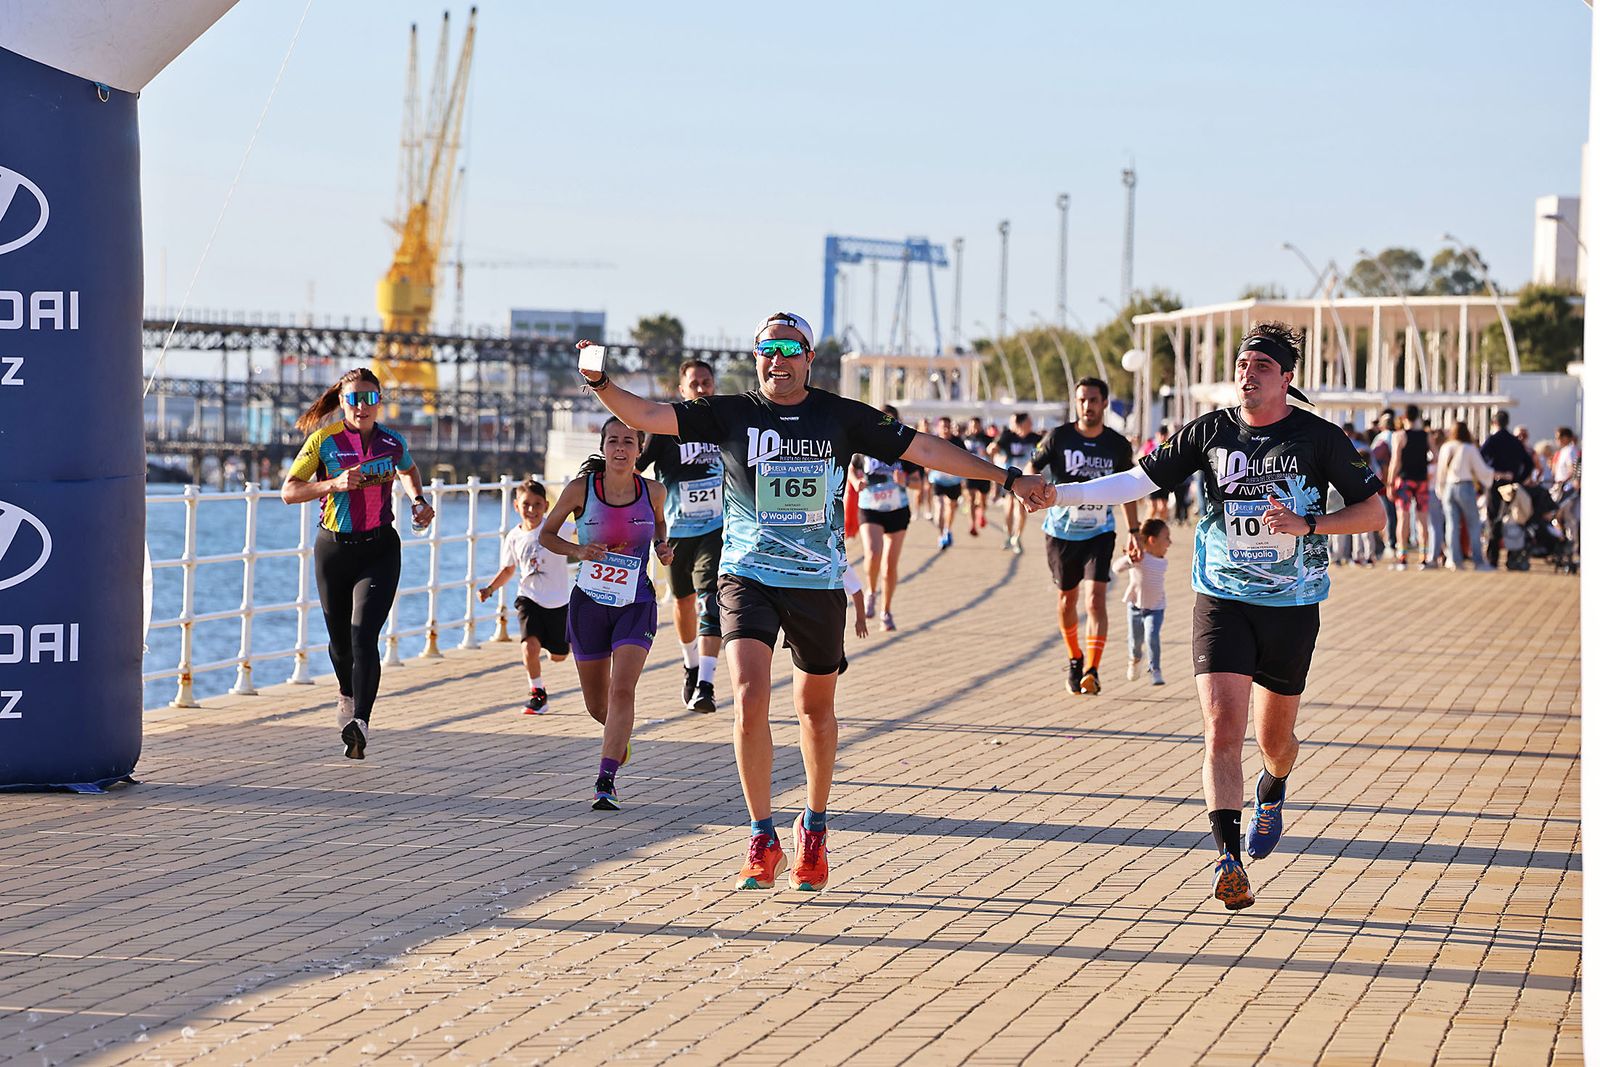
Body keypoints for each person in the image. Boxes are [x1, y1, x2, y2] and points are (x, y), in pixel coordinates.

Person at [576, 313, 1050, 891]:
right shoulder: (730, 413)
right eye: (766, 351)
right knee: (749, 696)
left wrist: (1006, 477)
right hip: (746, 573)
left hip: (818, 581)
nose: (777, 361)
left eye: (789, 350)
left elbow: (922, 448)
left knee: (815, 713)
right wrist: (599, 383)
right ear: (756, 359)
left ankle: (815, 826)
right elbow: (647, 416)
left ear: (808, 359)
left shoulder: (839, 416)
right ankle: (759, 833)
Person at [1048, 321, 1385, 910]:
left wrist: (1309, 525)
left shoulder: (1317, 437)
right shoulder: (1210, 432)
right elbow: (1135, 479)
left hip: (1292, 604)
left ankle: (1274, 786)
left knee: (1273, 740)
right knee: (1220, 729)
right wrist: (1062, 494)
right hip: (1221, 597)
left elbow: (1374, 513)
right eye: (1242, 365)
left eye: (1260, 366)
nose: (1247, 374)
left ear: (1286, 378)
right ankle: (1228, 859)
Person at [281, 368, 435, 760]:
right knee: (340, 642)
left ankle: (360, 723)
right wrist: (333, 484)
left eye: (369, 398)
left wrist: (418, 501)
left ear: (379, 400)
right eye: (354, 399)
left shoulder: (391, 441)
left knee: (364, 636)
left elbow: (409, 470)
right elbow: (289, 491)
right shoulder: (324, 441)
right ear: (342, 401)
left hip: (380, 547)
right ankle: (347, 693)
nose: (362, 407)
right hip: (334, 549)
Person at [540, 417, 672, 811]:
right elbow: (547, 534)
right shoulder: (582, 490)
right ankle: (619, 740)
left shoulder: (655, 492)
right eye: (613, 440)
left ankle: (606, 778)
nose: (620, 448)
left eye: (628, 442)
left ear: (639, 450)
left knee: (622, 690)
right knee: (598, 706)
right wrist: (579, 551)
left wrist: (664, 548)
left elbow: (661, 527)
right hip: (590, 605)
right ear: (603, 446)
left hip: (636, 602)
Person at [1029, 378, 1143, 696]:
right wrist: (1031, 488)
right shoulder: (1059, 437)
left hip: (1100, 531)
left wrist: (1134, 531)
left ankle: (1092, 669)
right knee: (1067, 600)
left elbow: (1128, 490)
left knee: (1095, 600)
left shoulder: (1118, 445)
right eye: (1081, 400)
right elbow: (1032, 466)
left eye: (1093, 400)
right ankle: (1074, 657)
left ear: (1104, 403)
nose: (1086, 406)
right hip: (1061, 532)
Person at [636, 359, 726, 713]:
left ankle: (706, 683)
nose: (702, 389)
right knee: (683, 601)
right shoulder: (665, 429)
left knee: (709, 598)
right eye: (695, 383)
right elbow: (636, 471)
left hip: (716, 529)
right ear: (682, 389)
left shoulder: (723, 423)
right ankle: (690, 665)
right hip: (675, 532)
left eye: (707, 382)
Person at [478, 480, 571, 712]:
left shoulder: (557, 527)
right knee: (529, 646)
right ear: (516, 506)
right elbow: (509, 569)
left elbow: (582, 530)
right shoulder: (513, 537)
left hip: (558, 600)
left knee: (559, 656)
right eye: (526, 504)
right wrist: (490, 589)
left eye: (537, 504)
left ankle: (558, 646)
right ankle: (537, 692)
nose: (532, 510)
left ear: (546, 506)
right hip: (528, 598)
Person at [850, 405, 912, 631]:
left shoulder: (906, 449)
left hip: (897, 510)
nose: (885, 425)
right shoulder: (864, 445)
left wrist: (906, 482)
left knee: (889, 566)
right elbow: (852, 467)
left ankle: (886, 611)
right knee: (873, 554)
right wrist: (856, 482)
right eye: (882, 420)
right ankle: (870, 592)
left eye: (890, 421)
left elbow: (919, 481)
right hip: (870, 508)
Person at [1113, 517, 1170, 686]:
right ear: (1152, 540)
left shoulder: (1162, 561)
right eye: (1166, 538)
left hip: (1156, 608)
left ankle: (1155, 669)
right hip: (1135, 607)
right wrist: (1130, 559)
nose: (1170, 542)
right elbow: (1116, 568)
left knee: (1152, 636)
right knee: (1135, 640)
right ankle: (1135, 659)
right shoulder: (1139, 557)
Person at [1434, 422, 1494, 571]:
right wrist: (1493, 474)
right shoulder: (1469, 448)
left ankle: (1454, 560)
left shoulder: (1446, 447)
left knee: (1452, 525)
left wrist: (1440, 489)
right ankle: (1478, 561)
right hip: (1465, 486)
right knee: (1473, 524)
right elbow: (1481, 470)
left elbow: (1440, 471)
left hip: (1448, 486)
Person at [1479, 410, 1531, 568]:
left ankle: (1493, 558)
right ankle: (1512, 555)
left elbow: (1480, 459)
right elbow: (1528, 464)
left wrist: (1491, 473)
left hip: (1495, 484)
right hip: (1511, 487)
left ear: (1494, 422)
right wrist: (1518, 478)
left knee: (1494, 519)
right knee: (1511, 520)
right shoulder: (1515, 442)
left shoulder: (1492, 440)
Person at [988, 411, 1043, 554]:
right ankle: (1008, 534)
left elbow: (1046, 451)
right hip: (1009, 477)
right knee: (1009, 506)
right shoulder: (1007, 437)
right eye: (1029, 421)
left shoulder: (1036, 438)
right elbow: (992, 449)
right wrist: (996, 458)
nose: (1031, 424)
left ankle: (1017, 537)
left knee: (1021, 507)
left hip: (1027, 478)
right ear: (1021, 423)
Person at [1387, 404, 1432, 569]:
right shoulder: (1426, 436)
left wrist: (1391, 482)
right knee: (1422, 519)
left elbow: (1395, 461)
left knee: (1403, 518)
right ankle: (1424, 556)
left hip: (1405, 480)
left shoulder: (1400, 435)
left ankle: (1403, 556)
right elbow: (1435, 455)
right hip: (1422, 480)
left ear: (1405, 417)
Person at [927, 417, 965, 549]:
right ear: (938, 427)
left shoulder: (958, 442)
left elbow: (966, 459)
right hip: (938, 480)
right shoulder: (933, 440)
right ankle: (941, 534)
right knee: (939, 508)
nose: (945, 429)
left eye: (948, 426)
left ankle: (947, 530)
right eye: (942, 426)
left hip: (954, 481)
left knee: (951, 507)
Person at [961, 416, 992, 536]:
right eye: (972, 425)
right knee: (971, 500)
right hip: (969, 473)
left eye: (976, 425)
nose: (974, 428)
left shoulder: (987, 439)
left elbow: (992, 455)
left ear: (980, 426)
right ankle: (972, 524)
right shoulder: (965, 438)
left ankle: (982, 513)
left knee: (983, 501)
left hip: (984, 473)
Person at [1552, 427, 1580, 499]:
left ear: (1565, 438)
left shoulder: (1571, 450)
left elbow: (1573, 469)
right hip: (1561, 487)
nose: (1557, 440)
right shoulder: (1564, 450)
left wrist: (1564, 482)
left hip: (1567, 488)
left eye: (1558, 437)